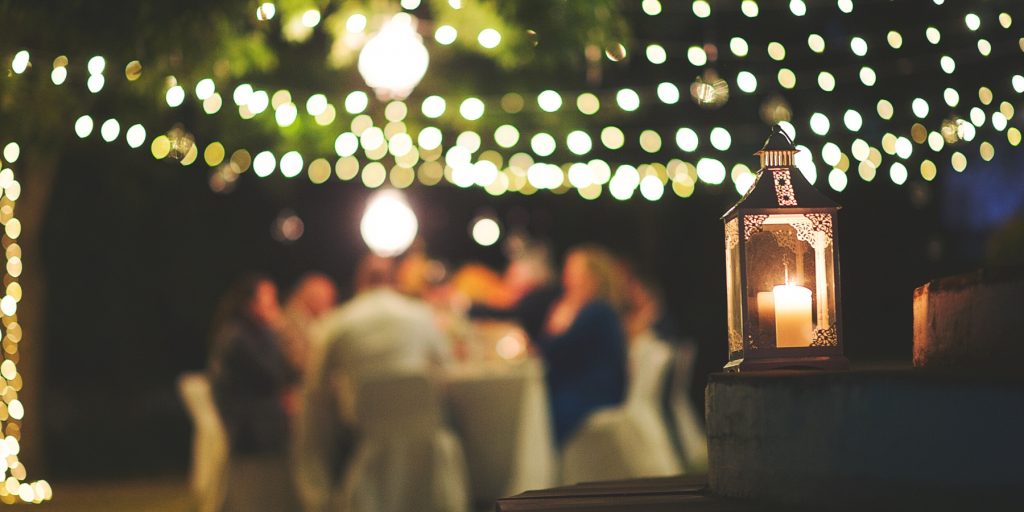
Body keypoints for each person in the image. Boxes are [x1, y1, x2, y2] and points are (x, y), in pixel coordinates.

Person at [294, 254, 453, 512]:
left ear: (359, 282)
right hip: (422, 435)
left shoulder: (339, 322)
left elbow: (315, 387)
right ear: (394, 281)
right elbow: (447, 371)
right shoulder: (421, 315)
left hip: (364, 437)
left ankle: (325, 498)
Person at [208, 274, 300, 511]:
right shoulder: (238, 337)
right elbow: (274, 374)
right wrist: (278, 329)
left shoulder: (250, 333)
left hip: (258, 421)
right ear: (249, 303)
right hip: (252, 426)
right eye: (268, 299)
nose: (273, 306)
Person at [535, 245, 628, 447]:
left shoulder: (596, 311)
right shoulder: (597, 310)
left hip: (594, 395)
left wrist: (556, 325)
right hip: (591, 389)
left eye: (573, 273)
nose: (566, 279)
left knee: (538, 409)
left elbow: (551, 352)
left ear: (593, 277)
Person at [280, 272, 338, 374]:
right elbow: (300, 363)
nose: (331, 305)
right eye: (328, 298)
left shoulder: (310, 320)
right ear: (312, 297)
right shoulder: (290, 322)